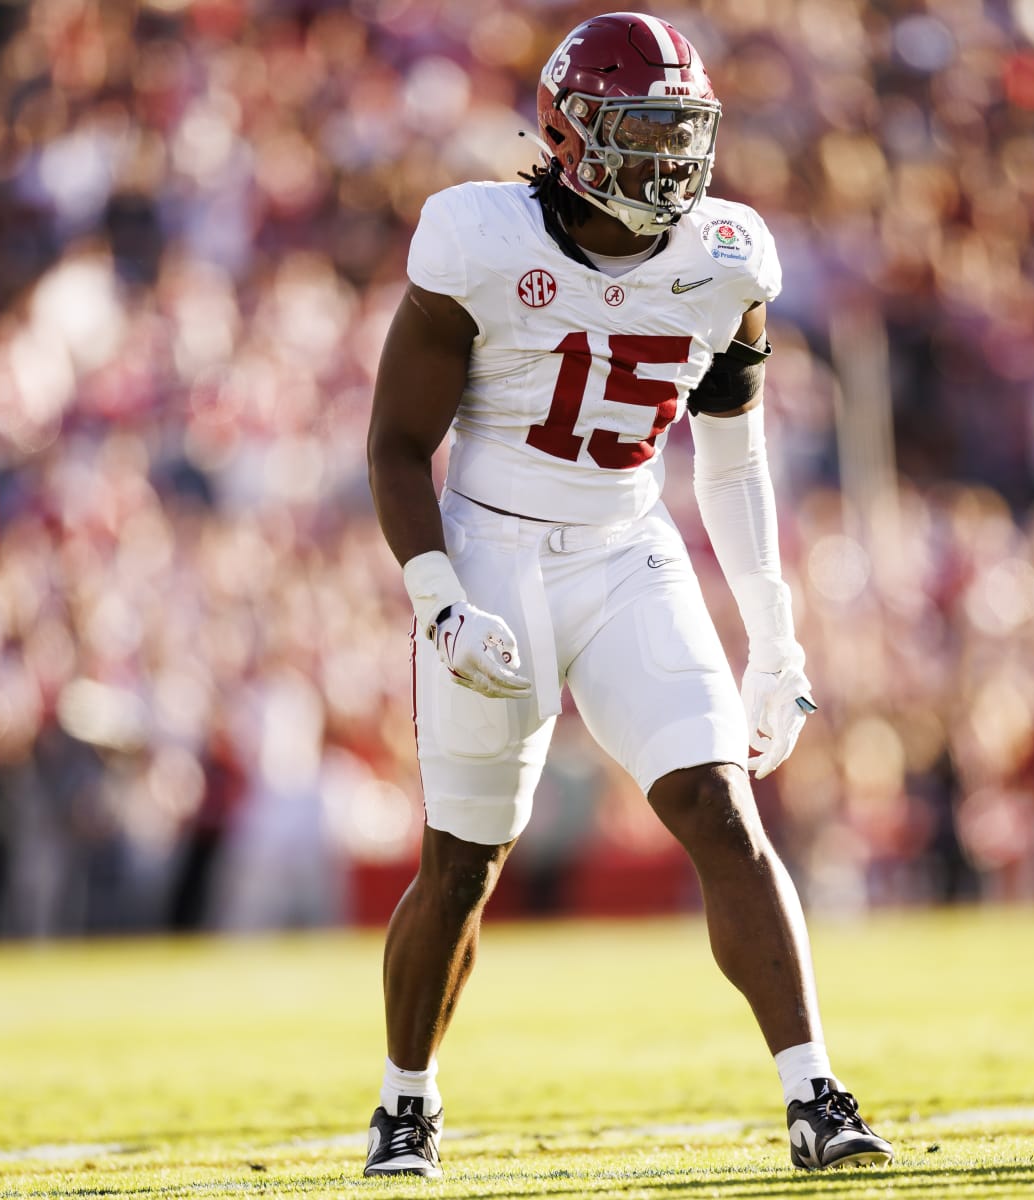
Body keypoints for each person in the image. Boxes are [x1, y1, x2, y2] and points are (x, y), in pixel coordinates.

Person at [362, 12, 894, 1178]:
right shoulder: (478, 238)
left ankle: (814, 1093)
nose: (668, 158)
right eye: (641, 129)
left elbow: (736, 456)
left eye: (681, 129)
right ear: (568, 133)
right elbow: (398, 447)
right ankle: (407, 1101)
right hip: (492, 545)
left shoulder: (728, 254)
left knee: (718, 804)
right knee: (464, 860)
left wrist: (775, 636)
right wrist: (441, 599)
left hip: (624, 547)